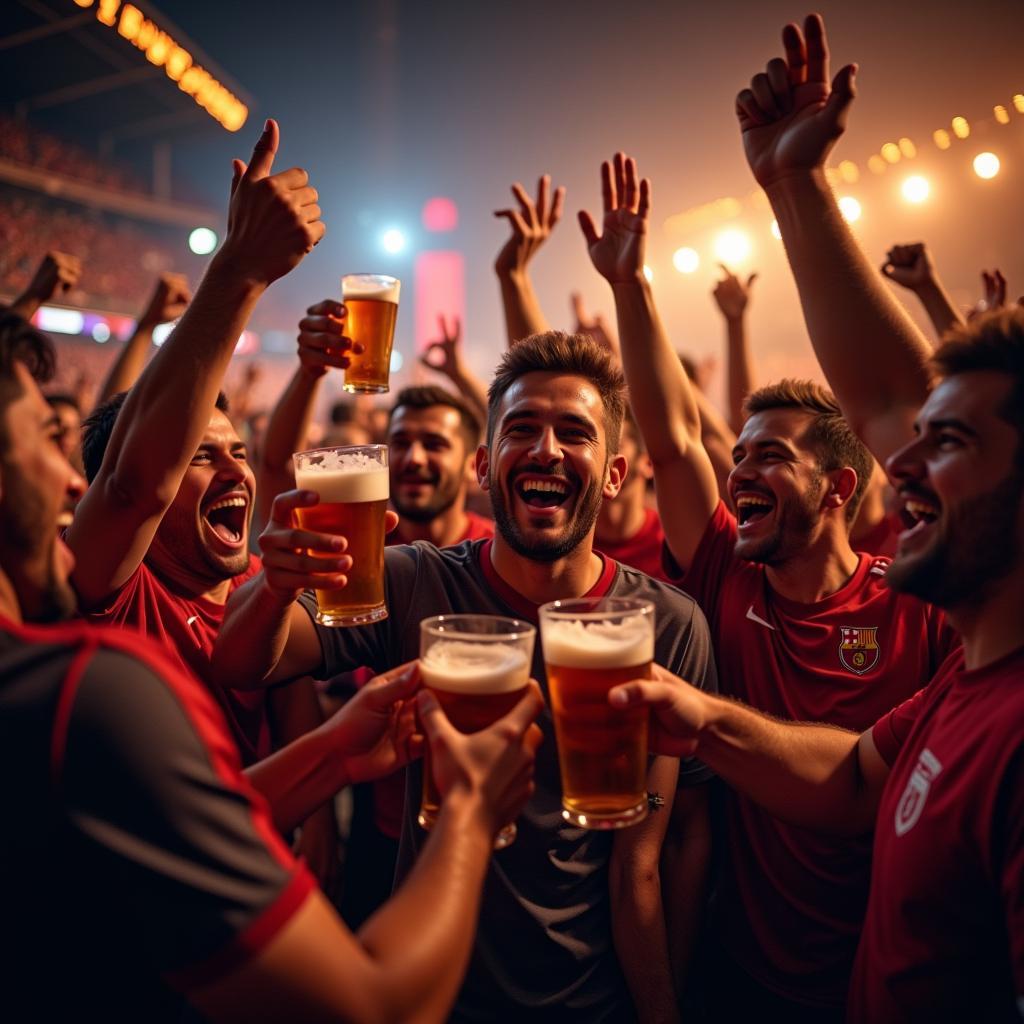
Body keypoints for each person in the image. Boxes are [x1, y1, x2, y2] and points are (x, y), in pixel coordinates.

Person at [625, 13, 1020, 1020]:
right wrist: (705, 720)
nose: (908, 467)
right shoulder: (967, 687)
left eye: (951, 447)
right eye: (911, 445)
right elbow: (850, 778)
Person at [0, 310, 544, 1022]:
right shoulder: (97, 640)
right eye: (199, 454)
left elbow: (182, 811)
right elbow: (375, 1007)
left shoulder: (257, 579)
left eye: (238, 452)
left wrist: (328, 761)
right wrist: (470, 811)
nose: (70, 487)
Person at [214, 330, 718, 1022]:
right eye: (522, 429)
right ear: (484, 465)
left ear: (613, 474)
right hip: (433, 989)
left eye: (574, 432)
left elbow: (642, 863)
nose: (545, 450)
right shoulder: (411, 578)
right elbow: (246, 662)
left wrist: (660, 1011)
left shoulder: (667, 623)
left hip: (590, 1002)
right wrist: (272, 585)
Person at [580, 149, 956, 1017]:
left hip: (887, 982)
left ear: (838, 490)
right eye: (738, 453)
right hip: (738, 976)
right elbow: (675, 441)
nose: (738, 468)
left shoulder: (916, 601)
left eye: (770, 457)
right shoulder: (721, 572)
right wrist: (629, 285)